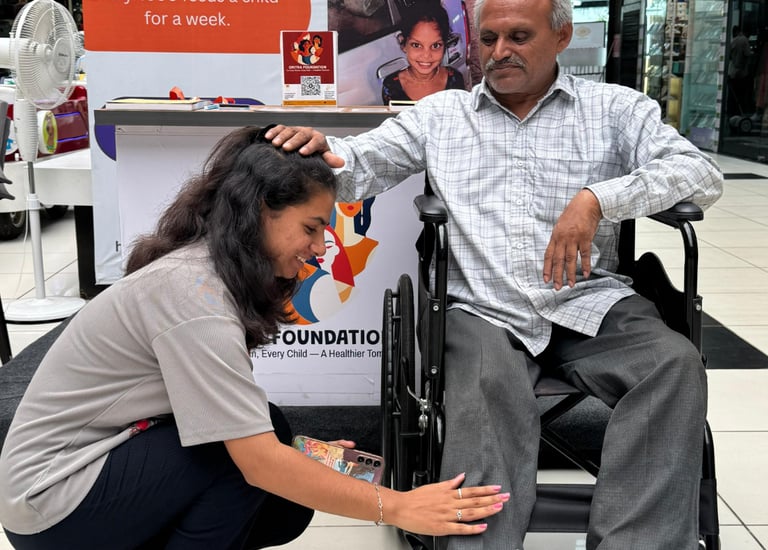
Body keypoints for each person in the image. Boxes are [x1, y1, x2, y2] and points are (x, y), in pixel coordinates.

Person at [266, 0, 725, 547]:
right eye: (488, 39)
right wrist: (324, 153)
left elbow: (699, 173)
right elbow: (361, 161)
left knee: (672, 365)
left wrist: (600, 199)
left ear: (561, 37)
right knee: (486, 386)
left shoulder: (615, 109)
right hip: (481, 308)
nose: (500, 51)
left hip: (587, 300)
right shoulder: (443, 115)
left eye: (519, 37)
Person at [0, 126, 508, 549]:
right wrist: (398, 507)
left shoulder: (205, 269)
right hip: (51, 500)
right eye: (311, 228)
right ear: (262, 210)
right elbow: (258, 463)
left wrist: (298, 457)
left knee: (272, 440)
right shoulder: (193, 297)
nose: (320, 248)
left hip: (93, 466)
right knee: (244, 462)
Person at [382, 1, 466, 103]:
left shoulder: (455, 80)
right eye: (416, 45)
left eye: (435, 45)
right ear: (403, 44)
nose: (426, 55)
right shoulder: (391, 87)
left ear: (444, 45)